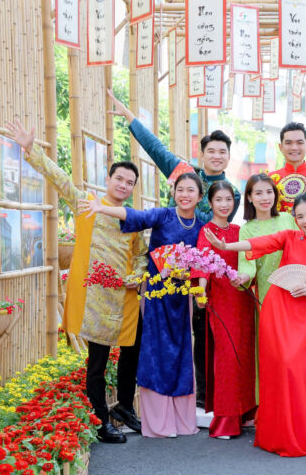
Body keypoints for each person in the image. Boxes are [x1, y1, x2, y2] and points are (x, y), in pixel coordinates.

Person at [6, 119, 147, 444]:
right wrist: (32, 149)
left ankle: (124, 406)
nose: (124, 185)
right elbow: (62, 181)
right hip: (97, 297)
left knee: (132, 350)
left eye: (130, 183)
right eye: (120, 179)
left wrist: (135, 278)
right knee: (96, 363)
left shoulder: (133, 220)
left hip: (125, 296)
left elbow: (140, 256)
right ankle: (100, 421)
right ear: (108, 180)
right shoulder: (86, 205)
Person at [106, 88, 240, 408]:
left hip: (196, 275)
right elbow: (156, 148)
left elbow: (208, 225)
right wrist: (130, 118)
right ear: (202, 152)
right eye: (212, 151)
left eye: (223, 152)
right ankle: (144, 404)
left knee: (195, 336)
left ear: (228, 157)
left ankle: (200, 399)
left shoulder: (229, 192)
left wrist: (187, 202)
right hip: (158, 273)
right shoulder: (182, 171)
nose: (217, 156)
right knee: (149, 337)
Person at [204, 191, 306, 457]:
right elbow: (259, 243)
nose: (305, 220)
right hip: (278, 308)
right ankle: (273, 433)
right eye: (299, 216)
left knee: (296, 370)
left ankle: (297, 433)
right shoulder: (289, 238)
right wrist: (225, 248)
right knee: (278, 370)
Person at [78, 172, 207, 438]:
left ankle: (181, 419)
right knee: (154, 351)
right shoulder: (163, 215)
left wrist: (193, 276)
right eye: (180, 189)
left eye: (190, 191)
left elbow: (204, 260)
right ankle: (158, 421)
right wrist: (101, 208)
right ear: (173, 193)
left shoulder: (202, 225)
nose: (184, 195)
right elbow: (136, 217)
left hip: (182, 298)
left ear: (200, 196)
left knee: (182, 351)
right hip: (157, 296)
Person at [192, 181, 256, 440]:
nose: (224, 204)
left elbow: (250, 262)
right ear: (210, 203)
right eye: (219, 199)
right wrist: (201, 291)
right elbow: (202, 265)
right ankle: (227, 420)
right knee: (227, 358)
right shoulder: (206, 231)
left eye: (228, 199)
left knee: (246, 356)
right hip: (221, 301)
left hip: (243, 300)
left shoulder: (241, 231)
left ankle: (246, 412)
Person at [236, 173, 298, 302]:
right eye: (258, 193)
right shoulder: (246, 229)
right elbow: (246, 262)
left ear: (275, 194)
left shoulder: (287, 218)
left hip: (295, 287)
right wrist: (242, 277)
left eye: (269, 192)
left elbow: (302, 248)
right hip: (267, 292)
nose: (265, 198)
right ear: (249, 197)